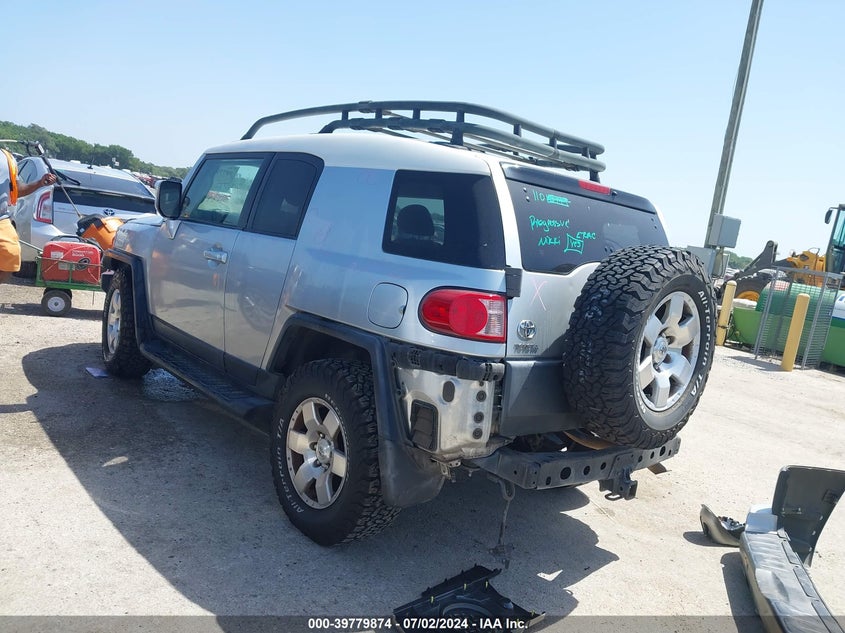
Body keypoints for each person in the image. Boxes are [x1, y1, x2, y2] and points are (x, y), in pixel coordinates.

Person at [0, 149, 57, 284]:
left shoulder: (7, 158)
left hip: (1, 219)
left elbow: (18, 190)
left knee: (11, 254)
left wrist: (39, 183)